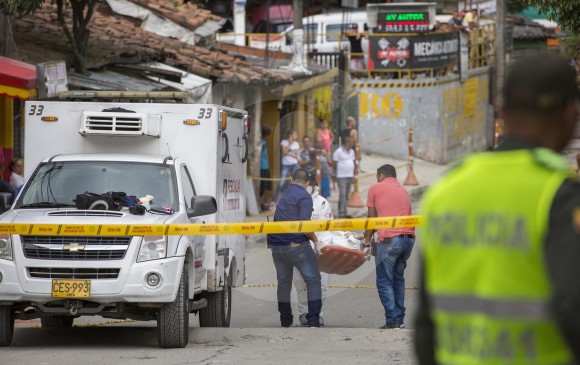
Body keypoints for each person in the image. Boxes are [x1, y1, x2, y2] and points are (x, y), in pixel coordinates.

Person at [415, 54, 580, 364]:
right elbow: (573, 310)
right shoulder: (560, 195)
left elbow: (425, 328)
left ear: (501, 110)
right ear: (570, 113)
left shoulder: (447, 189)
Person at [267, 169, 322, 328]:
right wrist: (316, 241)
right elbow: (305, 225)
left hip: (277, 247)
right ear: (307, 183)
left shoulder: (284, 195)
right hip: (296, 245)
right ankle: (313, 320)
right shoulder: (304, 196)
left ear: (291, 179)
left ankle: (285, 320)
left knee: (283, 283)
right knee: (313, 280)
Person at [363, 164, 414, 329]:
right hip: (408, 240)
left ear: (380, 175)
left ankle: (392, 320)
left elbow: (371, 219)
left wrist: (366, 241)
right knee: (398, 279)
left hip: (389, 240)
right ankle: (400, 319)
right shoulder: (403, 191)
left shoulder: (375, 188)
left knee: (384, 281)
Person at [293, 174, 333, 326]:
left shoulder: (323, 203)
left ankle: (317, 314)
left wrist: (322, 246)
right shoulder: (293, 200)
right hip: (299, 249)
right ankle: (304, 313)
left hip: (319, 250)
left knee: (322, 283)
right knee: (300, 283)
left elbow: (327, 229)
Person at [272, 130, 300, 203]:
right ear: (290, 135)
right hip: (286, 165)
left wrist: (288, 153)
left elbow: (297, 156)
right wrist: (290, 144)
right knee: (282, 182)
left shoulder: (296, 144)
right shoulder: (284, 142)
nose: (296, 136)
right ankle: (274, 200)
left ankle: (296, 200)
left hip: (294, 164)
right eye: (295, 135)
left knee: (296, 182)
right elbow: (284, 152)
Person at [332, 136, 355, 218]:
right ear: (347, 143)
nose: (352, 143)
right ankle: (342, 213)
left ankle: (343, 210)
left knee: (346, 195)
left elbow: (353, 161)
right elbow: (334, 163)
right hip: (341, 176)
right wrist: (336, 172)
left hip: (350, 176)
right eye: (351, 142)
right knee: (342, 194)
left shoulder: (352, 151)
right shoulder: (338, 152)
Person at [259, 126, 273, 211]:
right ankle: (261, 203)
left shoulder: (263, 141)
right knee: (263, 187)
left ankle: (262, 203)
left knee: (266, 187)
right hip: (262, 167)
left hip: (265, 166)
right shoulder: (261, 143)